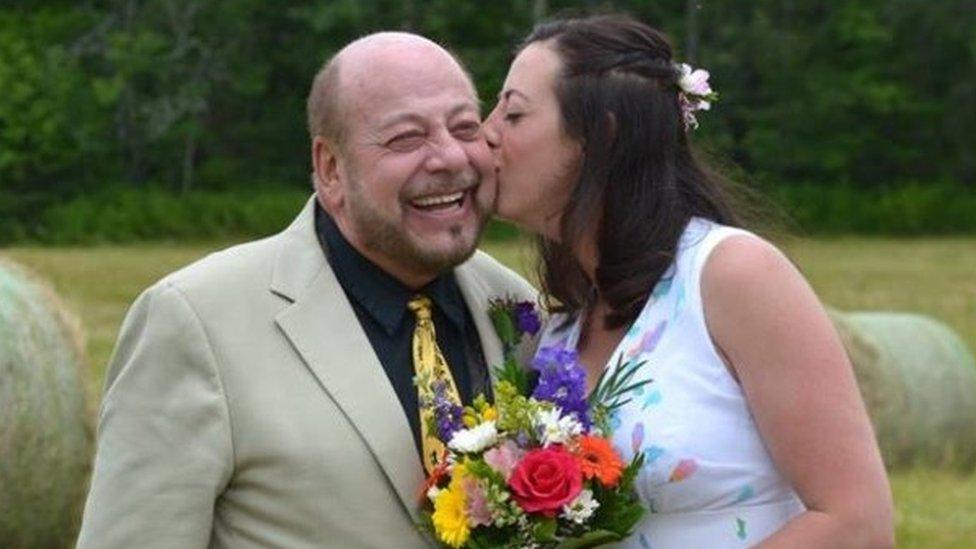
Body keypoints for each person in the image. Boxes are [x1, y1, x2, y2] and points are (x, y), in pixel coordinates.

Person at [76, 32, 536, 548]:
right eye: (407, 138)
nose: (450, 157)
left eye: (465, 127)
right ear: (331, 169)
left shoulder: (516, 306)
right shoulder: (195, 322)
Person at [483, 15, 894, 548]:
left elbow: (857, 523)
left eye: (512, 113)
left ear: (600, 135)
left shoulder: (733, 276)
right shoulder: (562, 325)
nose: (485, 131)